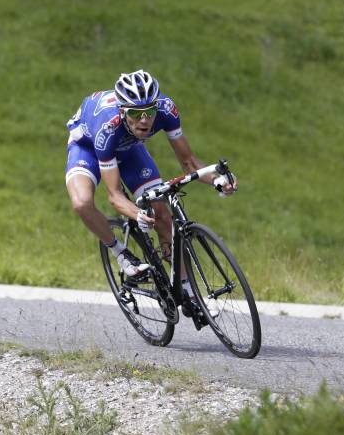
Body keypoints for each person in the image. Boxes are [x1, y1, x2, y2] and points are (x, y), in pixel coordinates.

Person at [64, 69, 237, 304]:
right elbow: (114, 195)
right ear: (123, 111)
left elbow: (188, 162)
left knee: (162, 214)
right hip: (89, 149)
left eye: (149, 111)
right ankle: (121, 253)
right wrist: (138, 214)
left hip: (129, 148)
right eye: (136, 113)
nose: (145, 119)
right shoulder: (107, 126)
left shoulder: (166, 109)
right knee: (82, 203)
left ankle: (187, 289)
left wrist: (218, 180)